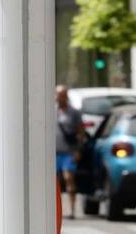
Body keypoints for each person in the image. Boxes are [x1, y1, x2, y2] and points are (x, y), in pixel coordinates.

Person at [56, 85, 85, 219]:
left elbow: (81, 132)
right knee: (53, 182)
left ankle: (72, 210)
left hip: (68, 152)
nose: (59, 97)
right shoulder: (51, 110)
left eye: (62, 95)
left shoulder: (74, 113)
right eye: (57, 94)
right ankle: (55, 210)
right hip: (53, 153)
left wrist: (78, 150)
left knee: (68, 178)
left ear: (66, 96)